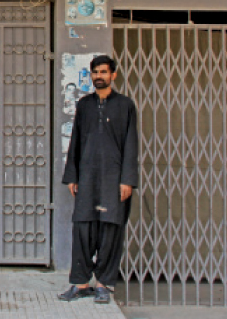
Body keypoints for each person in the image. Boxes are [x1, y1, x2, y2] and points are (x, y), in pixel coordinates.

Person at [59, 55, 138, 304]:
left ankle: (103, 284)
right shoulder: (84, 105)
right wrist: (73, 175)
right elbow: (76, 142)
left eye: (103, 72)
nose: (99, 76)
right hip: (88, 177)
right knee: (83, 227)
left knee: (110, 229)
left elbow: (131, 144)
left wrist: (127, 180)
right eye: (95, 72)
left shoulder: (125, 105)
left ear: (113, 75)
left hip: (114, 179)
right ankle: (80, 283)